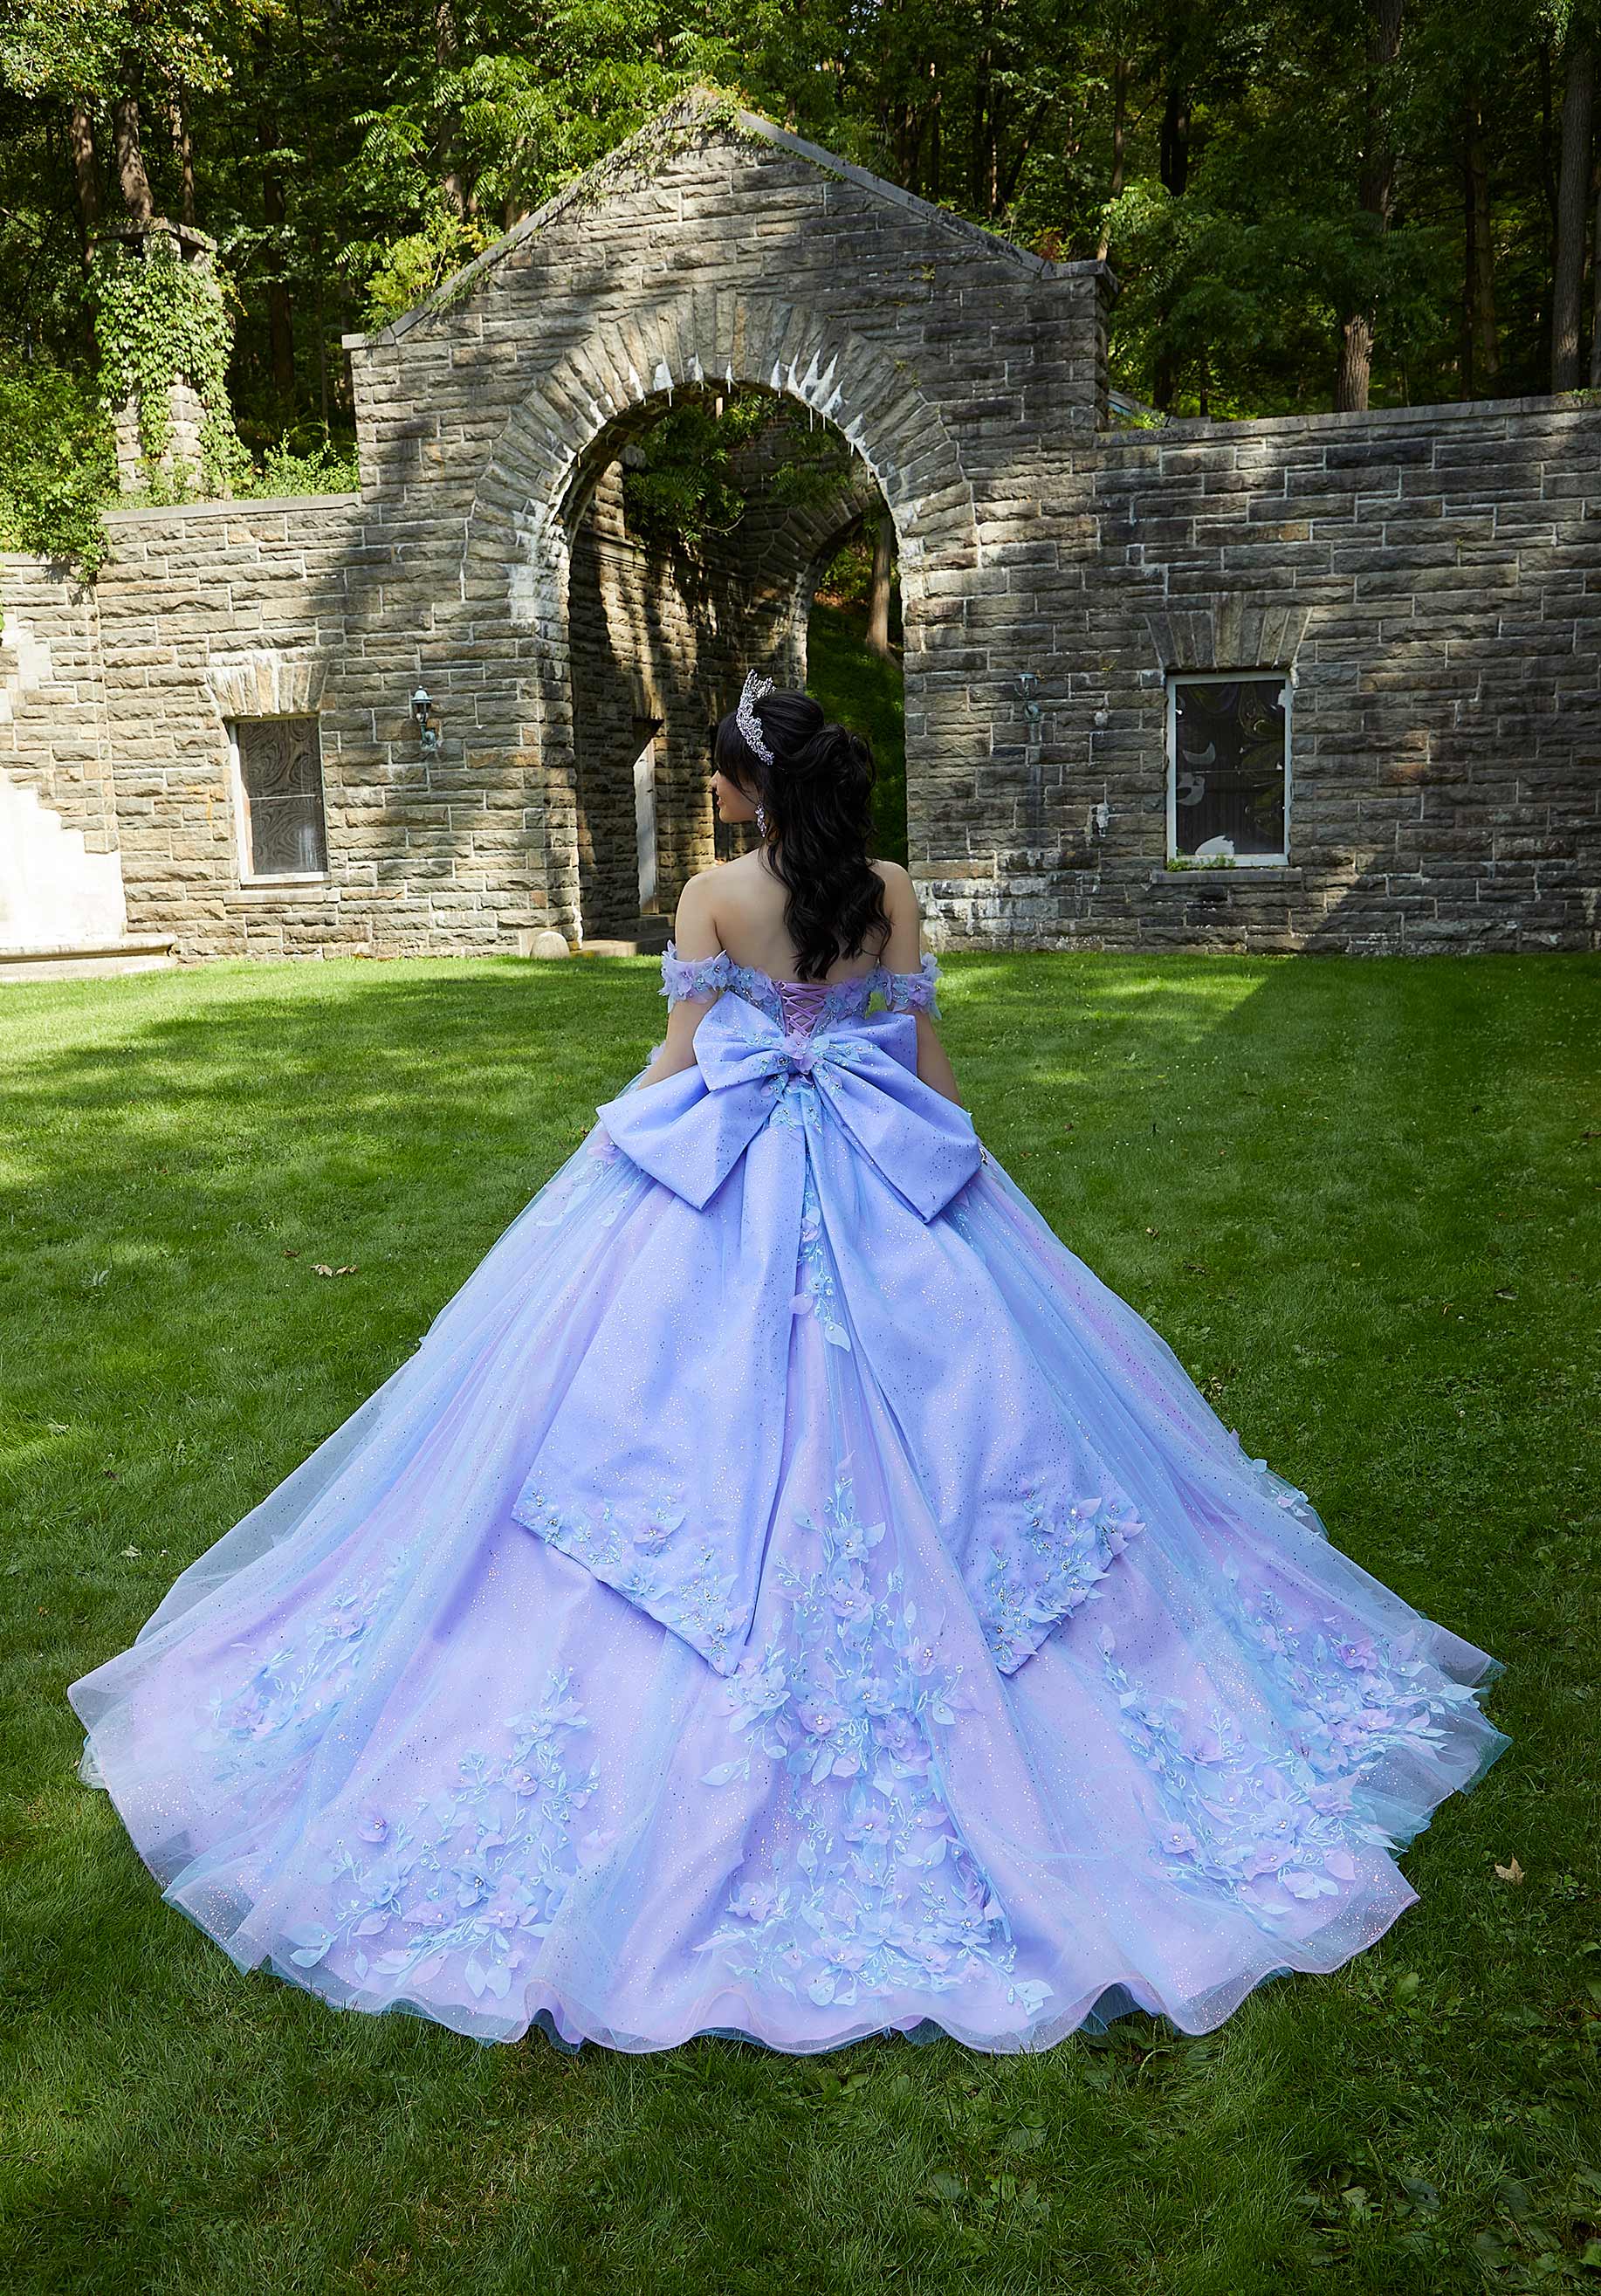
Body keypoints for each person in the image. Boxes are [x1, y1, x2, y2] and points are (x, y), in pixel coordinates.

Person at [67, 670, 1508, 2055]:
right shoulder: (888, 895)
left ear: (747, 789)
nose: (704, 786)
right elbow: (929, 1075)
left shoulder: (710, 894)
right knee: (977, 1415)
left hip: (730, 1184)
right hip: (886, 1175)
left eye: (712, 769)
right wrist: (964, 1183)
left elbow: (682, 1067)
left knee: (659, 1426)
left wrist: (600, 1149)